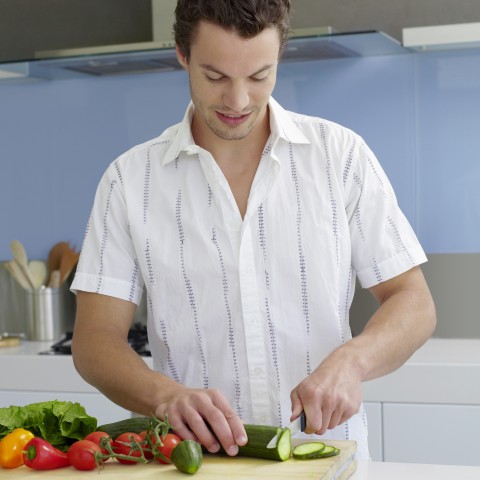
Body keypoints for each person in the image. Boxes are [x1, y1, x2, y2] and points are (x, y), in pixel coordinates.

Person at [70, 0, 436, 460]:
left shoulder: (340, 156)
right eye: (216, 77)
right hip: (197, 464)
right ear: (182, 54)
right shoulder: (129, 181)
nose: (238, 101)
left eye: (259, 76)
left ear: (280, 57)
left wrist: (353, 361)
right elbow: (94, 340)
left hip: (326, 457)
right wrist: (163, 395)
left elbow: (413, 301)